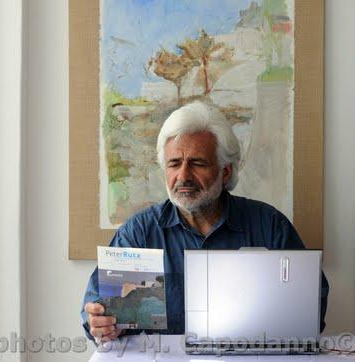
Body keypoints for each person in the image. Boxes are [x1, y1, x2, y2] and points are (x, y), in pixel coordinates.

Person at [81, 101, 329, 343]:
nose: (184, 176)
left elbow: (312, 305)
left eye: (198, 163)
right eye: (174, 164)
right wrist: (102, 325)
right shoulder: (139, 235)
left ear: (226, 172)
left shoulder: (269, 226)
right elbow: (98, 310)